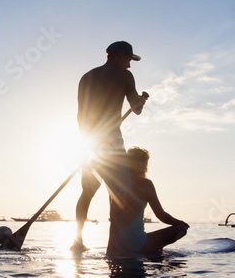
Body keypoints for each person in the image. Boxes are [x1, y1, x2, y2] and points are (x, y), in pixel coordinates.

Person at [74, 41, 149, 253]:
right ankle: (115, 245)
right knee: (119, 193)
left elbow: (80, 113)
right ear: (119, 56)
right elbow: (136, 109)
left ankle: (77, 242)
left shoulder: (86, 77)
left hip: (90, 141)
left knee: (87, 192)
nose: (129, 65)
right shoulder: (124, 76)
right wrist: (141, 100)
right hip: (112, 143)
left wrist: (87, 143)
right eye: (128, 59)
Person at [108, 146, 189, 256]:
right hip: (137, 245)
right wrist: (180, 222)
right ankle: (153, 248)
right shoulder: (146, 184)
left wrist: (112, 246)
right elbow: (161, 215)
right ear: (142, 164)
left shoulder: (116, 184)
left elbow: (114, 219)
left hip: (118, 244)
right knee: (181, 229)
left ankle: (155, 247)